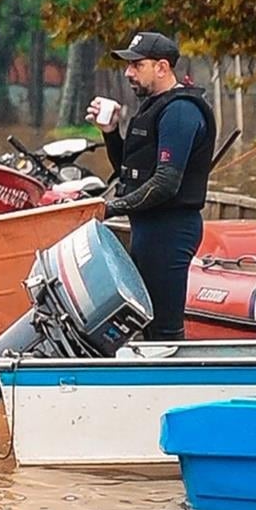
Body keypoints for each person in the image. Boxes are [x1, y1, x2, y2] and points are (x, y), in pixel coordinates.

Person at [87, 31, 216, 340]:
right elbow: (129, 174)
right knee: (142, 323)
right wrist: (110, 132)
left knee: (162, 327)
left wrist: (108, 208)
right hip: (148, 227)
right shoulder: (153, 107)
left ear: (161, 67)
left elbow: (165, 184)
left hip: (171, 230)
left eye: (136, 65)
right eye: (128, 66)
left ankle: (178, 383)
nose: (128, 73)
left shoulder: (181, 112)